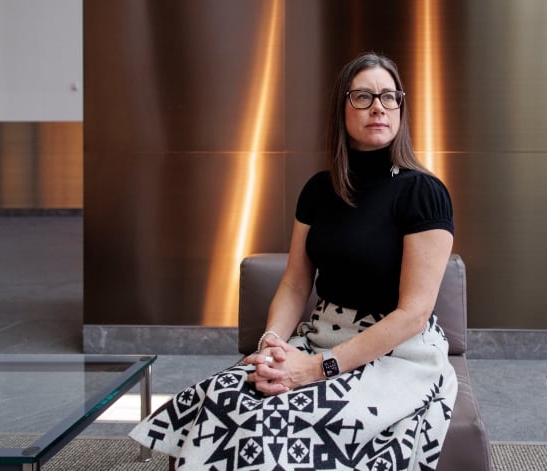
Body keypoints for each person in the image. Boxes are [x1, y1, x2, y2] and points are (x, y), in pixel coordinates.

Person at [130, 52, 457, 470]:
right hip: (320, 335)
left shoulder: (423, 192)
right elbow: (295, 284)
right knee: (226, 395)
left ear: (400, 108)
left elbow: (414, 313)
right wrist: (272, 345)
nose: (379, 106)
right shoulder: (320, 189)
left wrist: (317, 369)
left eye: (390, 97)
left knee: (274, 421)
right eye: (363, 96)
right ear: (341, 108)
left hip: (396, 353)